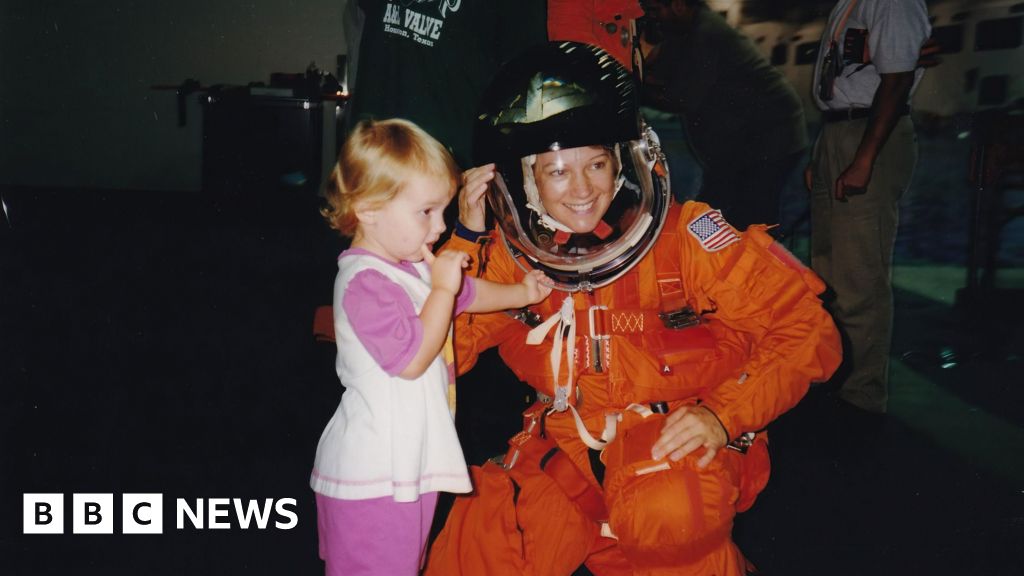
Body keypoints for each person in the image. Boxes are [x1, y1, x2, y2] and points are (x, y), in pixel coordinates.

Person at [425, 42, 841, 576]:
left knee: (669, 516)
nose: (582, 191)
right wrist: (463, 242)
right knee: (477, 550)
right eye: (556, 172)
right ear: (526, 180)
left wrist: (723, 416)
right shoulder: (509, 257)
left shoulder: (687, 239)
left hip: (672, 444)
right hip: (566, 446)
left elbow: (807, 330)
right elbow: (429, 355)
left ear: (626, 159)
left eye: (596, 163)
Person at [309, 118, 552, 576]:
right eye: (426, 212)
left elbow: (469, 293)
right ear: (367, 209)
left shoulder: (408, 267)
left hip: (407, 466)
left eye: (443, 211)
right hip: (373, 476)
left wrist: (524, 293)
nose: (440, 227)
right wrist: (442, 289)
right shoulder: (364, 283)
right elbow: (413, 359)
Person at [806, 0, 931, 415]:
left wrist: (864, 158)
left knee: (859, 277)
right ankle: (834, 377)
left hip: (868, 132)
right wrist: (822, 156)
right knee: (827, 273)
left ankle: (860, 395)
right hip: (839, 130)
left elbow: (895, 82)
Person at [637, 0, 808, 231]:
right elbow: (657, 70)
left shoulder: (706, 32)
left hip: (770, 135)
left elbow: (683, 99)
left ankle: (752, 264)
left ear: (678, 5)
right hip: (744, 139)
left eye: (656, 11)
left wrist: (635, 90)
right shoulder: (686, 31)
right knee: (718, 209)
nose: (653, 18)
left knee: (749, 217)